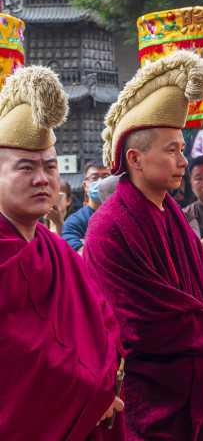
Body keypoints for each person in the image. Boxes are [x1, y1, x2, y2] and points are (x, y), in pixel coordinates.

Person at [84, 51, 203, 441]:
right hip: (150, 401)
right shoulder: (107, 228)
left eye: (181, 148)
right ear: (135, 158)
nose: (183, 161)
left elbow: (201, 296)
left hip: (198, 388)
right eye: (172, 151)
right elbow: (143, 327)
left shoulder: (174, 215)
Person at [0, 65, 125, 440]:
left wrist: (103, 385)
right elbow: (17, 359)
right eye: (26, 167)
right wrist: (89, 393)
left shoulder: (57, 250)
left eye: (49, 167)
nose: (42, 178)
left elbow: (104, 321)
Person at [62, 159, 111, 251]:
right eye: (94, 178)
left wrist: (89, 246)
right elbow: (76, 253)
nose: (100, 182)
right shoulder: (74, 222)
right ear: (85, 186)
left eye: (105, 177)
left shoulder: (124, 216)